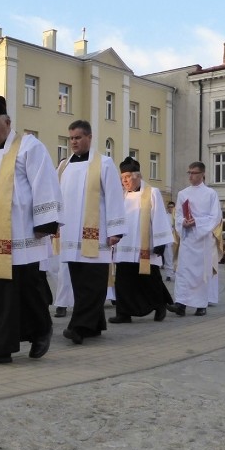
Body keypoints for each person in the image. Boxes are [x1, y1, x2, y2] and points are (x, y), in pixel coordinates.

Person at [0, 91, 63, 364]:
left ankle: (41, 331)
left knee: (27, 290)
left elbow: (43, 181)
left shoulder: (28, 146)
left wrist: (46, 222)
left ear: (8, 122)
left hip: (22, 234)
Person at [57, 120, 126, 344]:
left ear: (89, 137)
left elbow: (115, 197)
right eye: (71, 138)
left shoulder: (104, 164)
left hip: (96, 234)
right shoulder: (64, 166)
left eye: (78, 137)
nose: (74, 142)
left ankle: (79, 327)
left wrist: (116, 230)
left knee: (93, 283)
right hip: (71, 235)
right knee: (79, 283)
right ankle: (95, 325)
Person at [109, 157, 174, 324]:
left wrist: (160, 243)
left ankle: (159, 305)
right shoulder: (121, 195)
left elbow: (159, 217)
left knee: (149, 280)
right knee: (123, 280)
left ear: (138, 176)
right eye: (122, 178)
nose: (124, 181)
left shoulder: (152, 193)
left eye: (127, 177)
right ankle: (124, 313)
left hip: (145, 246)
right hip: (124, 246)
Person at [170, 161, 222, 317]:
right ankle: (180, 303)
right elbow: (178, 215)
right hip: (187, 238)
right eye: (189, 173)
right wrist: (183, 222)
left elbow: (215, 217)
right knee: (183, 271)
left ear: (202, 174)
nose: (191, 176)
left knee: (201, 272)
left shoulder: (211, 194)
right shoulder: (183, 194)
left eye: (194, 173)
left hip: (203, 239)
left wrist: (197, 222)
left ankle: (200, 305)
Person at [163, 201, 177, 280]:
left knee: (176, 256)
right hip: (168, 239)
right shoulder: (165, 217)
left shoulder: (178, 216)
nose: (170, 208)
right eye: (169, 207)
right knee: (168, 256)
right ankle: (169, 274)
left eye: (172, 207)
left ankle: (177, 272)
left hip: (177, 239)